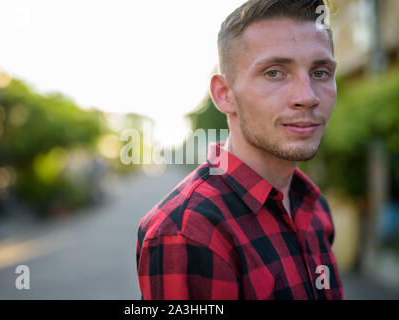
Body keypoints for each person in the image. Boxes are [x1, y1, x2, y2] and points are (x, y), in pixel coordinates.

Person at [136, 0, 343, 300]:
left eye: (321, 72)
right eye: (274, 72)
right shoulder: (187, 231)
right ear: (224, 95)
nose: (307, 96)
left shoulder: (313, 205)